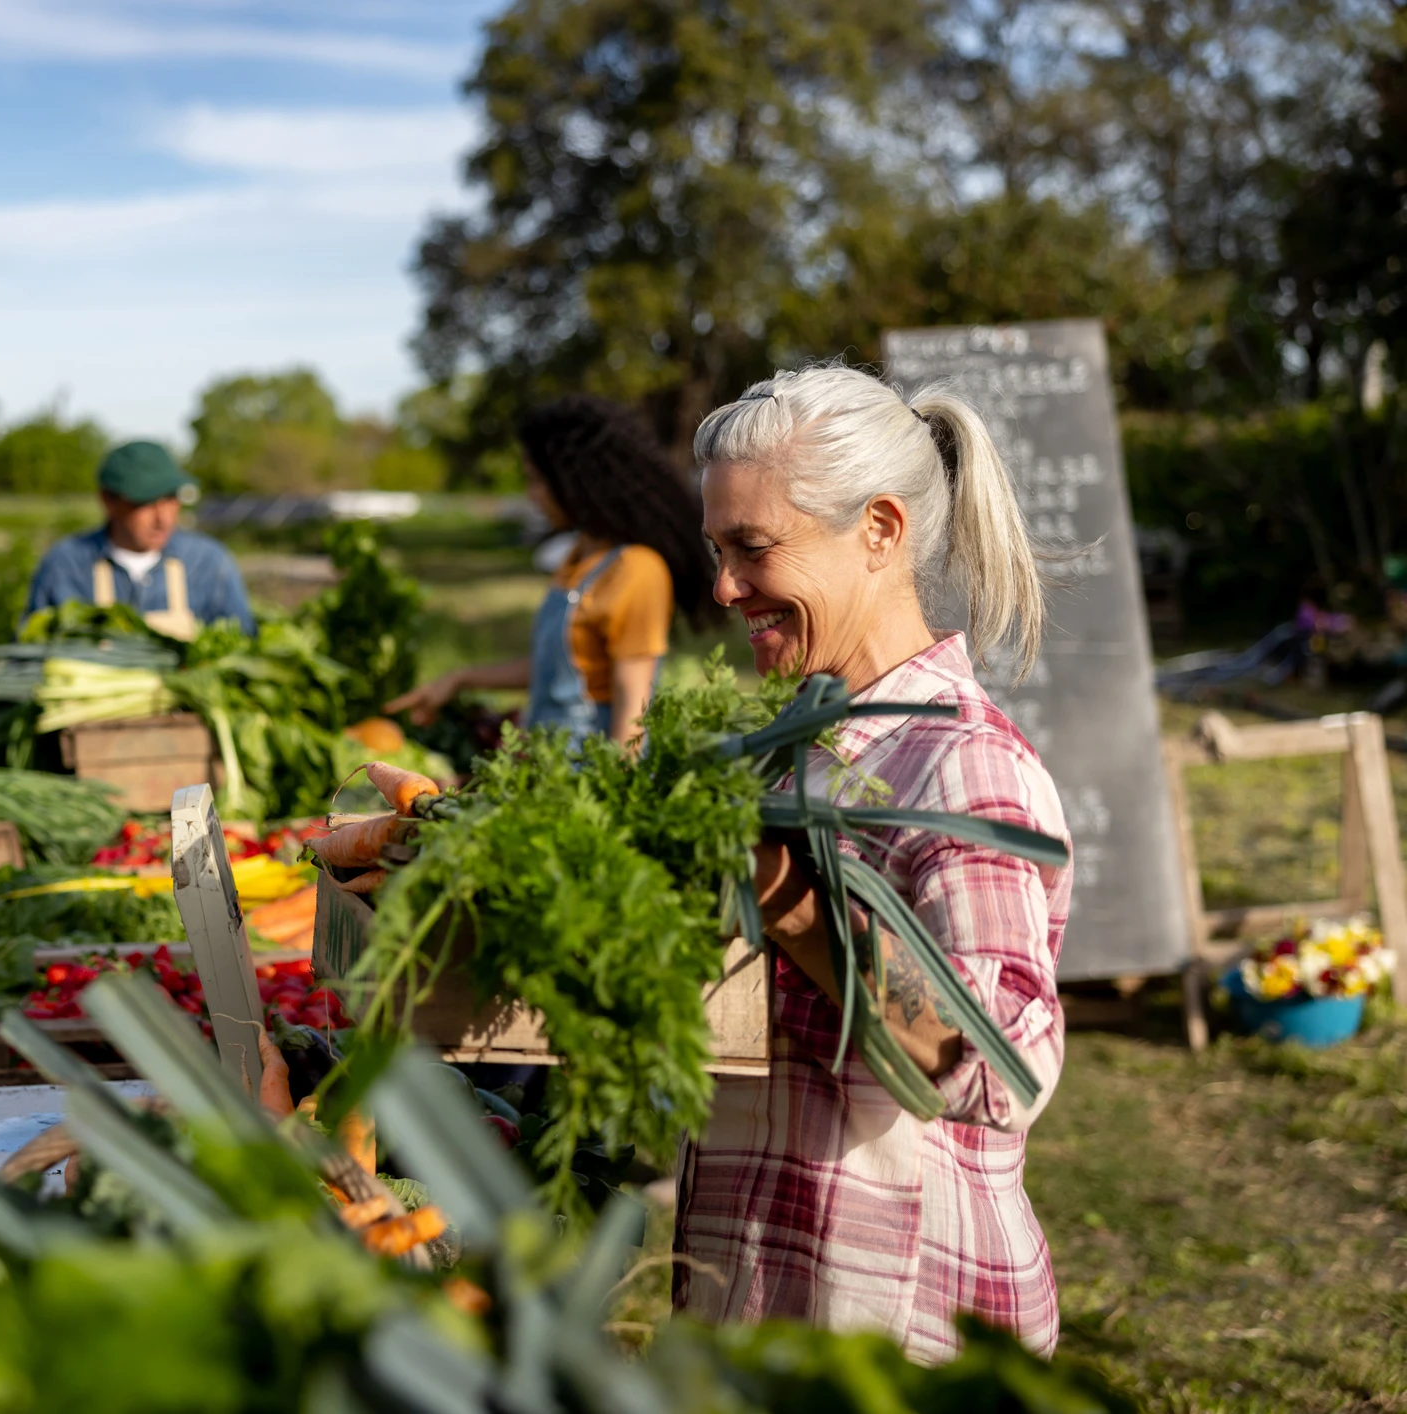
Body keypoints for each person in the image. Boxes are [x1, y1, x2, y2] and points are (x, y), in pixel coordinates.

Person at [676, 363, 1071, 1363]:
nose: (723, 588)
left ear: (879, 531)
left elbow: (995, 1067)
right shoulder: (795, 739)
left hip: (895, 1322)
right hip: (773, 1288)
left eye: (751, 548)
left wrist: (791, 903)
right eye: (716, 550)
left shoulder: (959, 763)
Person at [385, 395, 712, 747]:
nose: (532, 495)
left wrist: (615, 790)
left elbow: (633, 709)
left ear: (576, 479)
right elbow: (554, 672)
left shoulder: (637, 570)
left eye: (539, 481)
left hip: (587, 775)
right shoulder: (579, 557)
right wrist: (459, 678)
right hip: (546, 767)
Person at [26, 440, 253, 639]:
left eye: (170, 499)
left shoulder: (209, 563)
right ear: (108, 501)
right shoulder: (65, 565)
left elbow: (243, 648)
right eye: (146, 502)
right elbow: (28, 653)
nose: (163, 518)